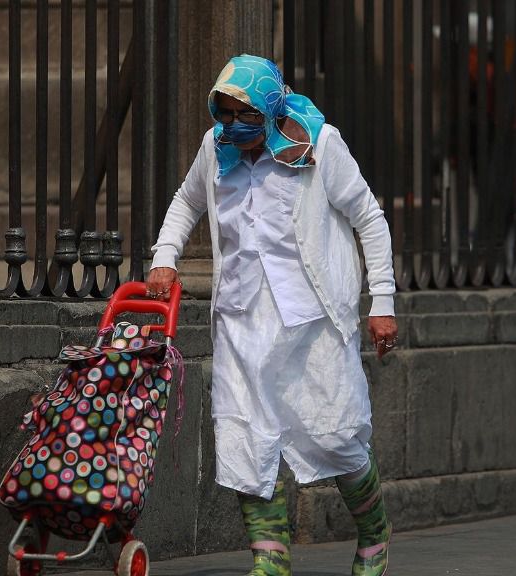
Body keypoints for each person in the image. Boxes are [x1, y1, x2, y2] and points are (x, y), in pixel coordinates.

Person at [145, 54, 398, 576]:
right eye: (224, 114)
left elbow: (369, 219)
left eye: (245, 116)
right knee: (245, 439)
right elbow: (185, 203)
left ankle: (374, 533)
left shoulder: (319, 144)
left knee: (337, 435)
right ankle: (271, 560)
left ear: (269, 107)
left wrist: (383, 302)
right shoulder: (215, 150)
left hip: (313, 321)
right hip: (242, 319)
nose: (233, 126)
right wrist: (165, 257)